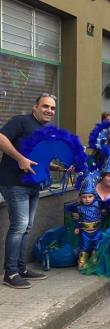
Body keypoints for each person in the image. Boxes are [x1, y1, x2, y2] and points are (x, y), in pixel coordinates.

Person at [0, 93, 57, 288]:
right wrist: (20, 159)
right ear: (35, 107)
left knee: (26, 227)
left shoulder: (46, 130)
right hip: (14, 183)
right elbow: (1, 138)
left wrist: (58, 168)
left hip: (33, 185)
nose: (49, 110)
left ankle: (21, 268)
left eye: (52, 108)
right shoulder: (21, 121)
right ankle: (10, 273)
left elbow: (39, 158)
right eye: (45, 106)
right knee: (19, 227)